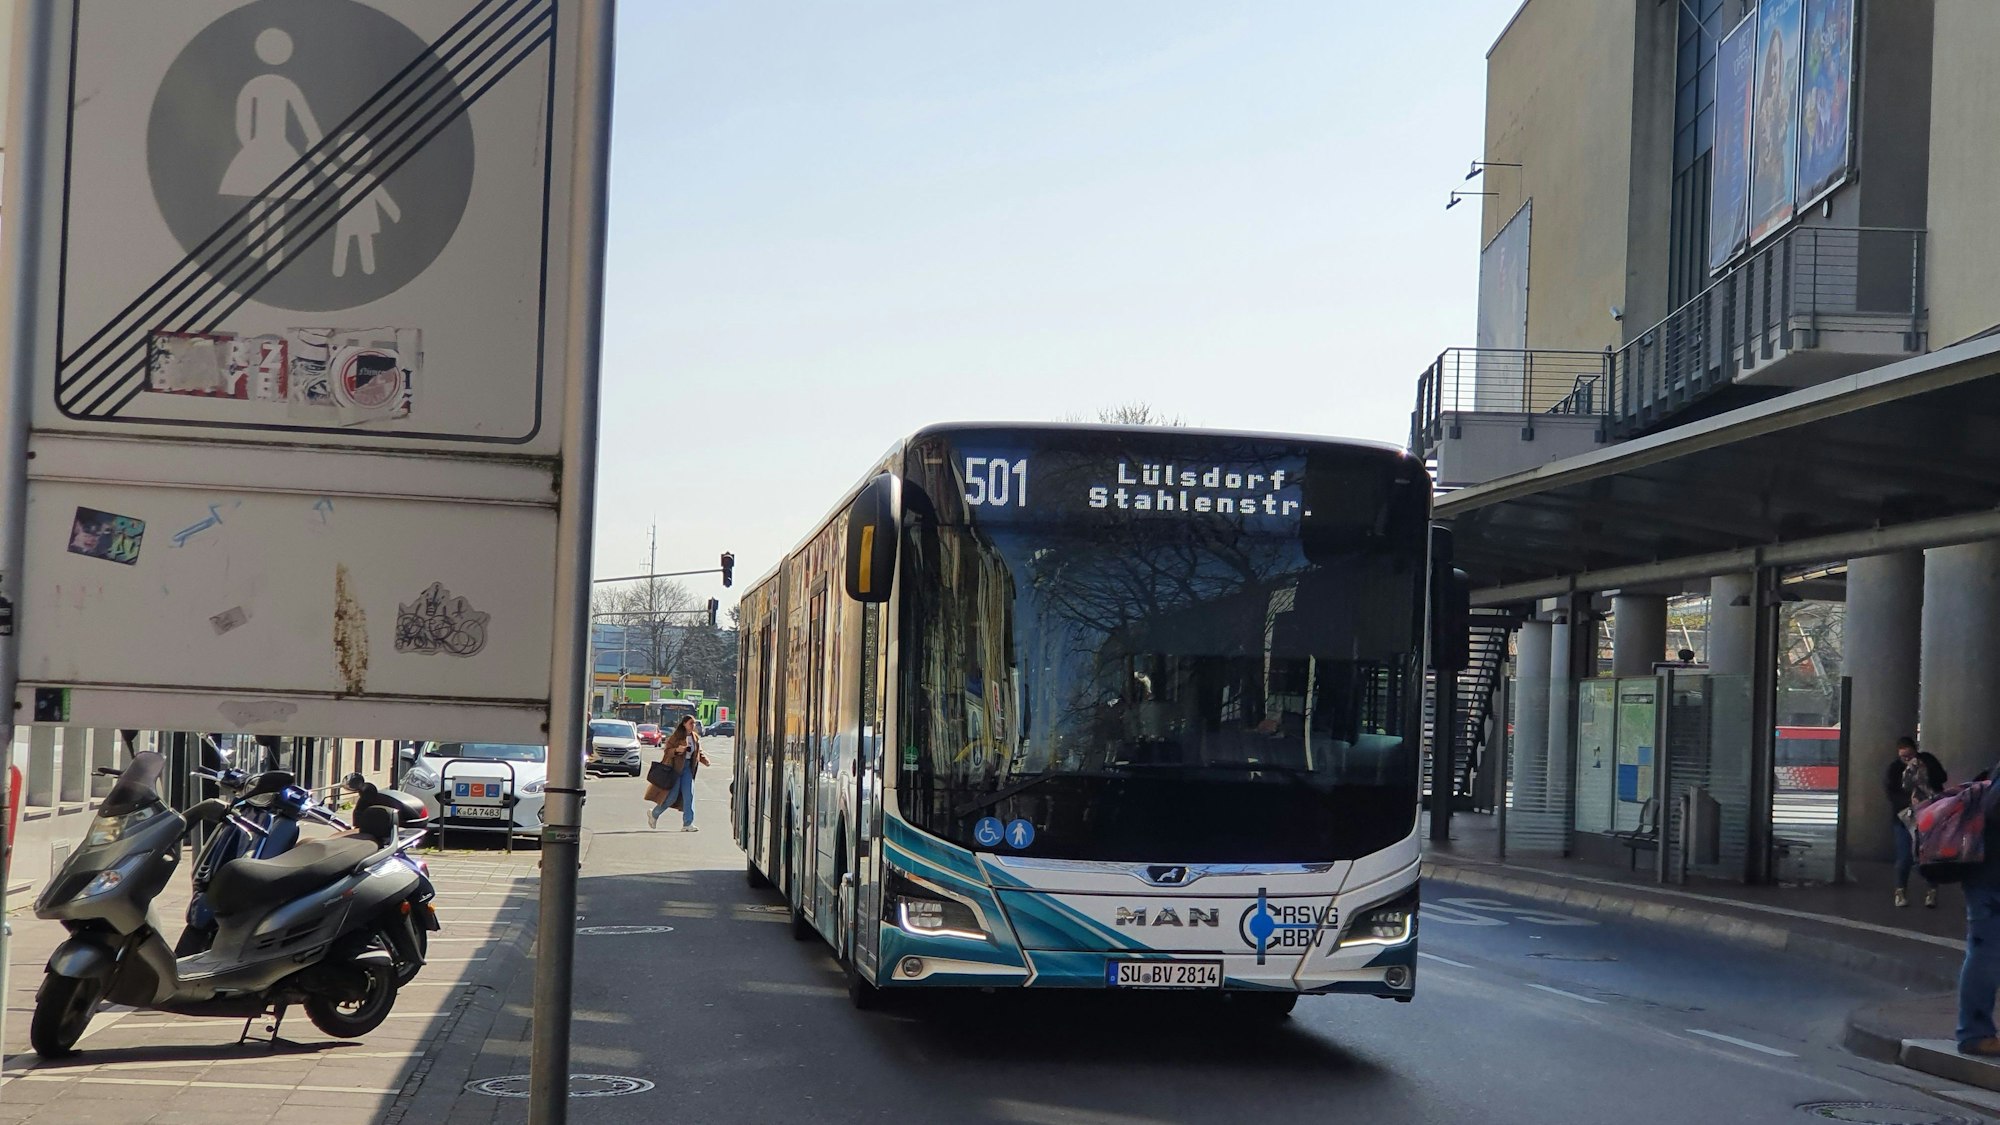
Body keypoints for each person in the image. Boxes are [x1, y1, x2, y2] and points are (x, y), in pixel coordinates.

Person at [1956, 769, 2000, 1056]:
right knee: (1986, 954)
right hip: (1991, 882)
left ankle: (1974, 1031)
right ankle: (1974, 1033)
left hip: (1986, 878)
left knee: (1985, 952)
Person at [1885, 735, 1947, 907]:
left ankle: (1932, 892)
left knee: (1929, 855)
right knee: (1905, 857)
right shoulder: (1895, 769)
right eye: (1903, 756)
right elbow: (1891, 793)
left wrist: (1925, 768)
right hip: (1905, 817)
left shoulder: (1927, 760)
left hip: (1929, 813)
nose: (1907, 759)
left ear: (1916, 751)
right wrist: (1908, 801)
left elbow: (1942, 777)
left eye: (1909, 755)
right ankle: (1900, 891)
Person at [648, 716, 709, 832]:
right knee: (672, 797)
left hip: (687, 769)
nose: (693, 725)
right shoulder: (676, 737)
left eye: (694, 723)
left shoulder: (694, 737)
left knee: (689, 795)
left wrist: (705, 760)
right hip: (675, 769)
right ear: (684, 724)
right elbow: (667, 751)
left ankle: (688, 823)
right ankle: (654, 813)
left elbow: (698, 751)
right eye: (691, 723)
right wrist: (677, 750)